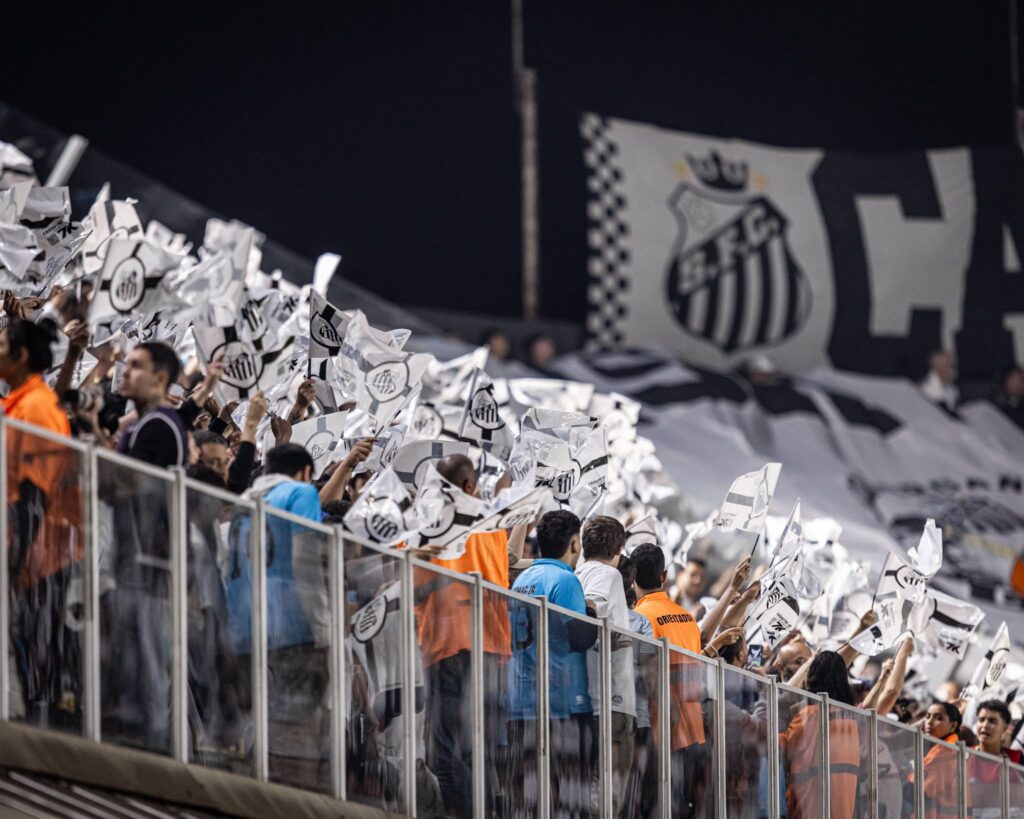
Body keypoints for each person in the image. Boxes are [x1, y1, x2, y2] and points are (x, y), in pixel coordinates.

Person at [415, 454, 525, 817]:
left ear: (459, 486)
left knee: (443, 753)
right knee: (477, 752)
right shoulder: (492, 524)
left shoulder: (431, 520)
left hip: (448, 645)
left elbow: (408, 576)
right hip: (493, 649)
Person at [228, 442, 329, 788]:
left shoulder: (243, 503)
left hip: (242, 627)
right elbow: (306, 561)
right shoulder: (301, 492)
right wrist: (322, 627)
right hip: (290, 627)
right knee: (294, 729)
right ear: (304, 472)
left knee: (255, 723)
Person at [0, 318, 79, 728]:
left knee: (33, 652)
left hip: (35, 557)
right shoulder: (17, 403)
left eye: (1, 342)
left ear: (21, 353)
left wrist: (15, 565)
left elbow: (34, 495)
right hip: (21, 549)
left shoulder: (36, 407)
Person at [631, 543, 740, 819]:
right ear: (664, 576)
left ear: (632, 578)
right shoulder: (688, 619)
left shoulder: (640, 619)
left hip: (659, 730)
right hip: (691, 729)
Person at [507, 510, 596, 818]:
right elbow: (580, 638)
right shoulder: (566, 580)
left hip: (521, 701)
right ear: (574, 544)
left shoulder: (522, 579)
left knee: (529, 796)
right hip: (563, 704)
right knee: (568, 797)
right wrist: (592, 616)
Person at [576, 515, 636, 815]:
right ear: (619, 550)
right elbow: (592, 606)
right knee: (608, 798)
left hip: (591, 699)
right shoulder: (606, 576)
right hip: (612, 701)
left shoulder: (577, 572)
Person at [780, 651, 861, 819]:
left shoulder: (811, 714)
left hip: (809, 806)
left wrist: (778, 724)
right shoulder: (850, 721)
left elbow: (785, 749)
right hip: (842, 810)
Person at [910, 701, 964, 819]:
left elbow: (915, 789)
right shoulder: (945, 748)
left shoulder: (947, 752)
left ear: (953, 726)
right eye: (928, 716)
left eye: (939, 718)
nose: (929, 722)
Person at [969, 700, 1023, 786]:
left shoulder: (1016, 759)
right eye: (981, 720)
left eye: (992, 721)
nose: (985, 725)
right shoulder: (963, 755)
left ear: (1005, 728)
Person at [920, 350, 958, 415]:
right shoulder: (926, 390)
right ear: (938, 368)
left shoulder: (951, 389)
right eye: (950, 365)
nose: (953, 370)